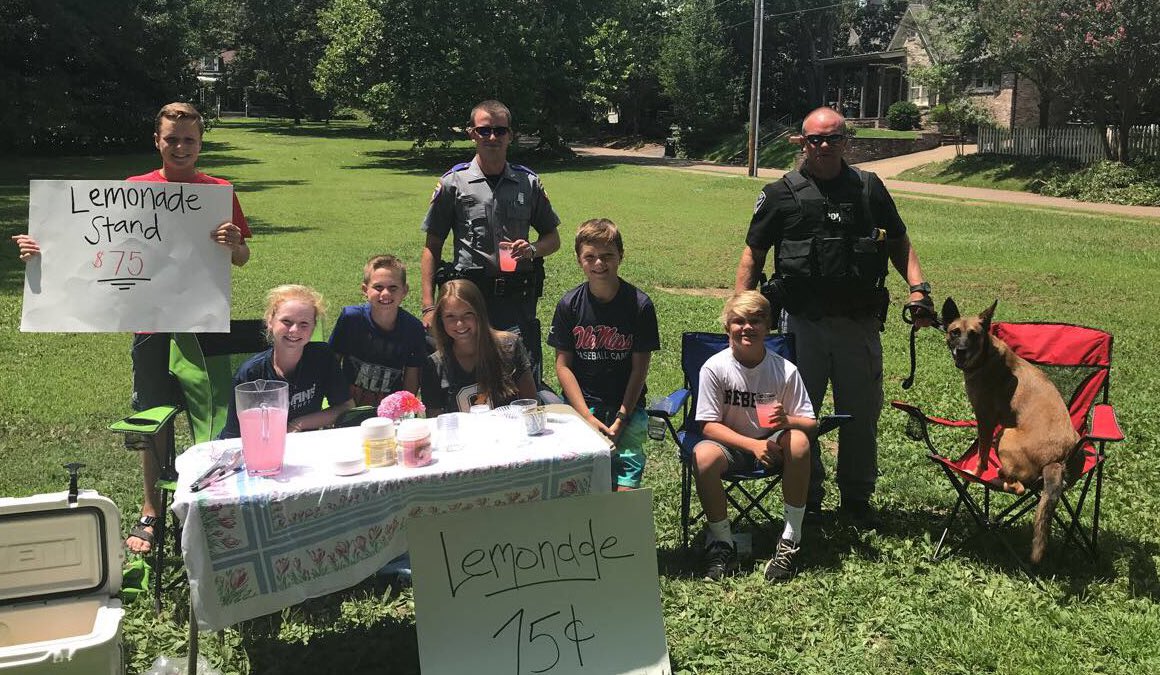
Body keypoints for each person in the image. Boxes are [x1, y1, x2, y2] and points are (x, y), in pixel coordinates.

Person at [12, 101, 251, 554]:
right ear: (157, 140)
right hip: (150, 326)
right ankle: (151, 510)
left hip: (202, 324)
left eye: (189, 140)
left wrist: (235, 244)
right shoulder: (134, 190)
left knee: (213, 416)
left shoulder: (218, 192)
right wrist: (40, 252)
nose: (180, 147)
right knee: (153, 417)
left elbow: (241, 258)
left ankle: (212, 501)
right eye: (172, 139)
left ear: (200, 143)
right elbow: (95, 247)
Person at [734, 106, 934, 529]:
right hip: (801, 324)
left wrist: (919, 288)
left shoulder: (868, 188)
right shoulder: (779, 194)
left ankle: (857, 498)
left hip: (858, 324)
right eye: (815, 139)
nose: (823, 146)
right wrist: (740, 309)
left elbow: (899, 241)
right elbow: (754, 252)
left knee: (861, 414)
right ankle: (807, 494)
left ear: (846, 141)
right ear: (802, 143)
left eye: (833, 138)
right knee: (798, 414)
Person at [419, 100, 561, 384]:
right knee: (468, 377)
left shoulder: (528, 183)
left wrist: (532, 249)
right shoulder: (453, 183)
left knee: (520, 376)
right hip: (469, 299)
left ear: (510, 135)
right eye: (484, 130)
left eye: (500, 130)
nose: (492, 137)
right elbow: (432, 246)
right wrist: (428, 306)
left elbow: (553, 239)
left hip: (517, 299)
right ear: (472, 133)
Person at [693, 292, 816, 582]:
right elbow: (708, 426)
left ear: (768, 326)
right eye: (739, 321)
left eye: (756, 321)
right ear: (727, 327)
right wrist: (752, 445)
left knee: (799, 441)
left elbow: (811, 423)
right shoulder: (715, 367)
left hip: (773, 446)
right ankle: (723, 543)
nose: (747, 327)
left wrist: (787, 421)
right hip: (730, 447)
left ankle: (790, 539)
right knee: (703, 455)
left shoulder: (784, 370)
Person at [549, 218, 660, 491]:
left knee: (625, 490)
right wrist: (586, 417)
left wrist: (622, 417)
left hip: (627, 409)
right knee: (581, 487)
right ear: (579, 260)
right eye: (590, 256)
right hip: (582, 407)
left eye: (608, 255)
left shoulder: (640, 305)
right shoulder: (569, 305)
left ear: (621, 255)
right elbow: (563, 366)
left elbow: (639, 369)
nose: (599, 263)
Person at [220, 285, 353, 438]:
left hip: (302, 441)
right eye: (286, 321)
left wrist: (298, 424)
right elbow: (234, 435)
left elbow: (346, 406)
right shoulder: (250, 373)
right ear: (270, 321)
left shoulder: (322, 358)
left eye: (304, 324)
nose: (294, 330)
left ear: (313, 327)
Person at [421, 279, 538, 416]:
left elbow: (530, 405)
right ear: (440, 319)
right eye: (450, 316)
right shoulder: (435, 366)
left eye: (467, 314)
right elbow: (436, 421)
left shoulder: (509, 347)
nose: (459, 323)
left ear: (480, 313)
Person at [328, 254, 427, 406]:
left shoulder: (413, 328)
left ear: (404, 290)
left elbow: (411, 376)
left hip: (389, 408)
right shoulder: (351, 319)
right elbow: (332, 362)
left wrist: (404, 408)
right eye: (378, 287)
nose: (385, 293)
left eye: (393, 287)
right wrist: (337, 401)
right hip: (348, 403)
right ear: (365, 289)